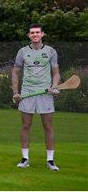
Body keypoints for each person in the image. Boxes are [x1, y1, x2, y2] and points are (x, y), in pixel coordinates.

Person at [11, 24, 61, 171]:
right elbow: (15, 72)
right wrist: (15, 92)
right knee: (26, 125)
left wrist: (55, 85)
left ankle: (50, 161)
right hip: (27, 92)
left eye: (37, 32)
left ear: (42, 34)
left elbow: (56, 73)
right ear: (29, 35)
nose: (35, 35)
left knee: (48, 126)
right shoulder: (22, 51)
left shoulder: (51, 51)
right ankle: (25, 159)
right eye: (32, 33)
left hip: (45, 93)